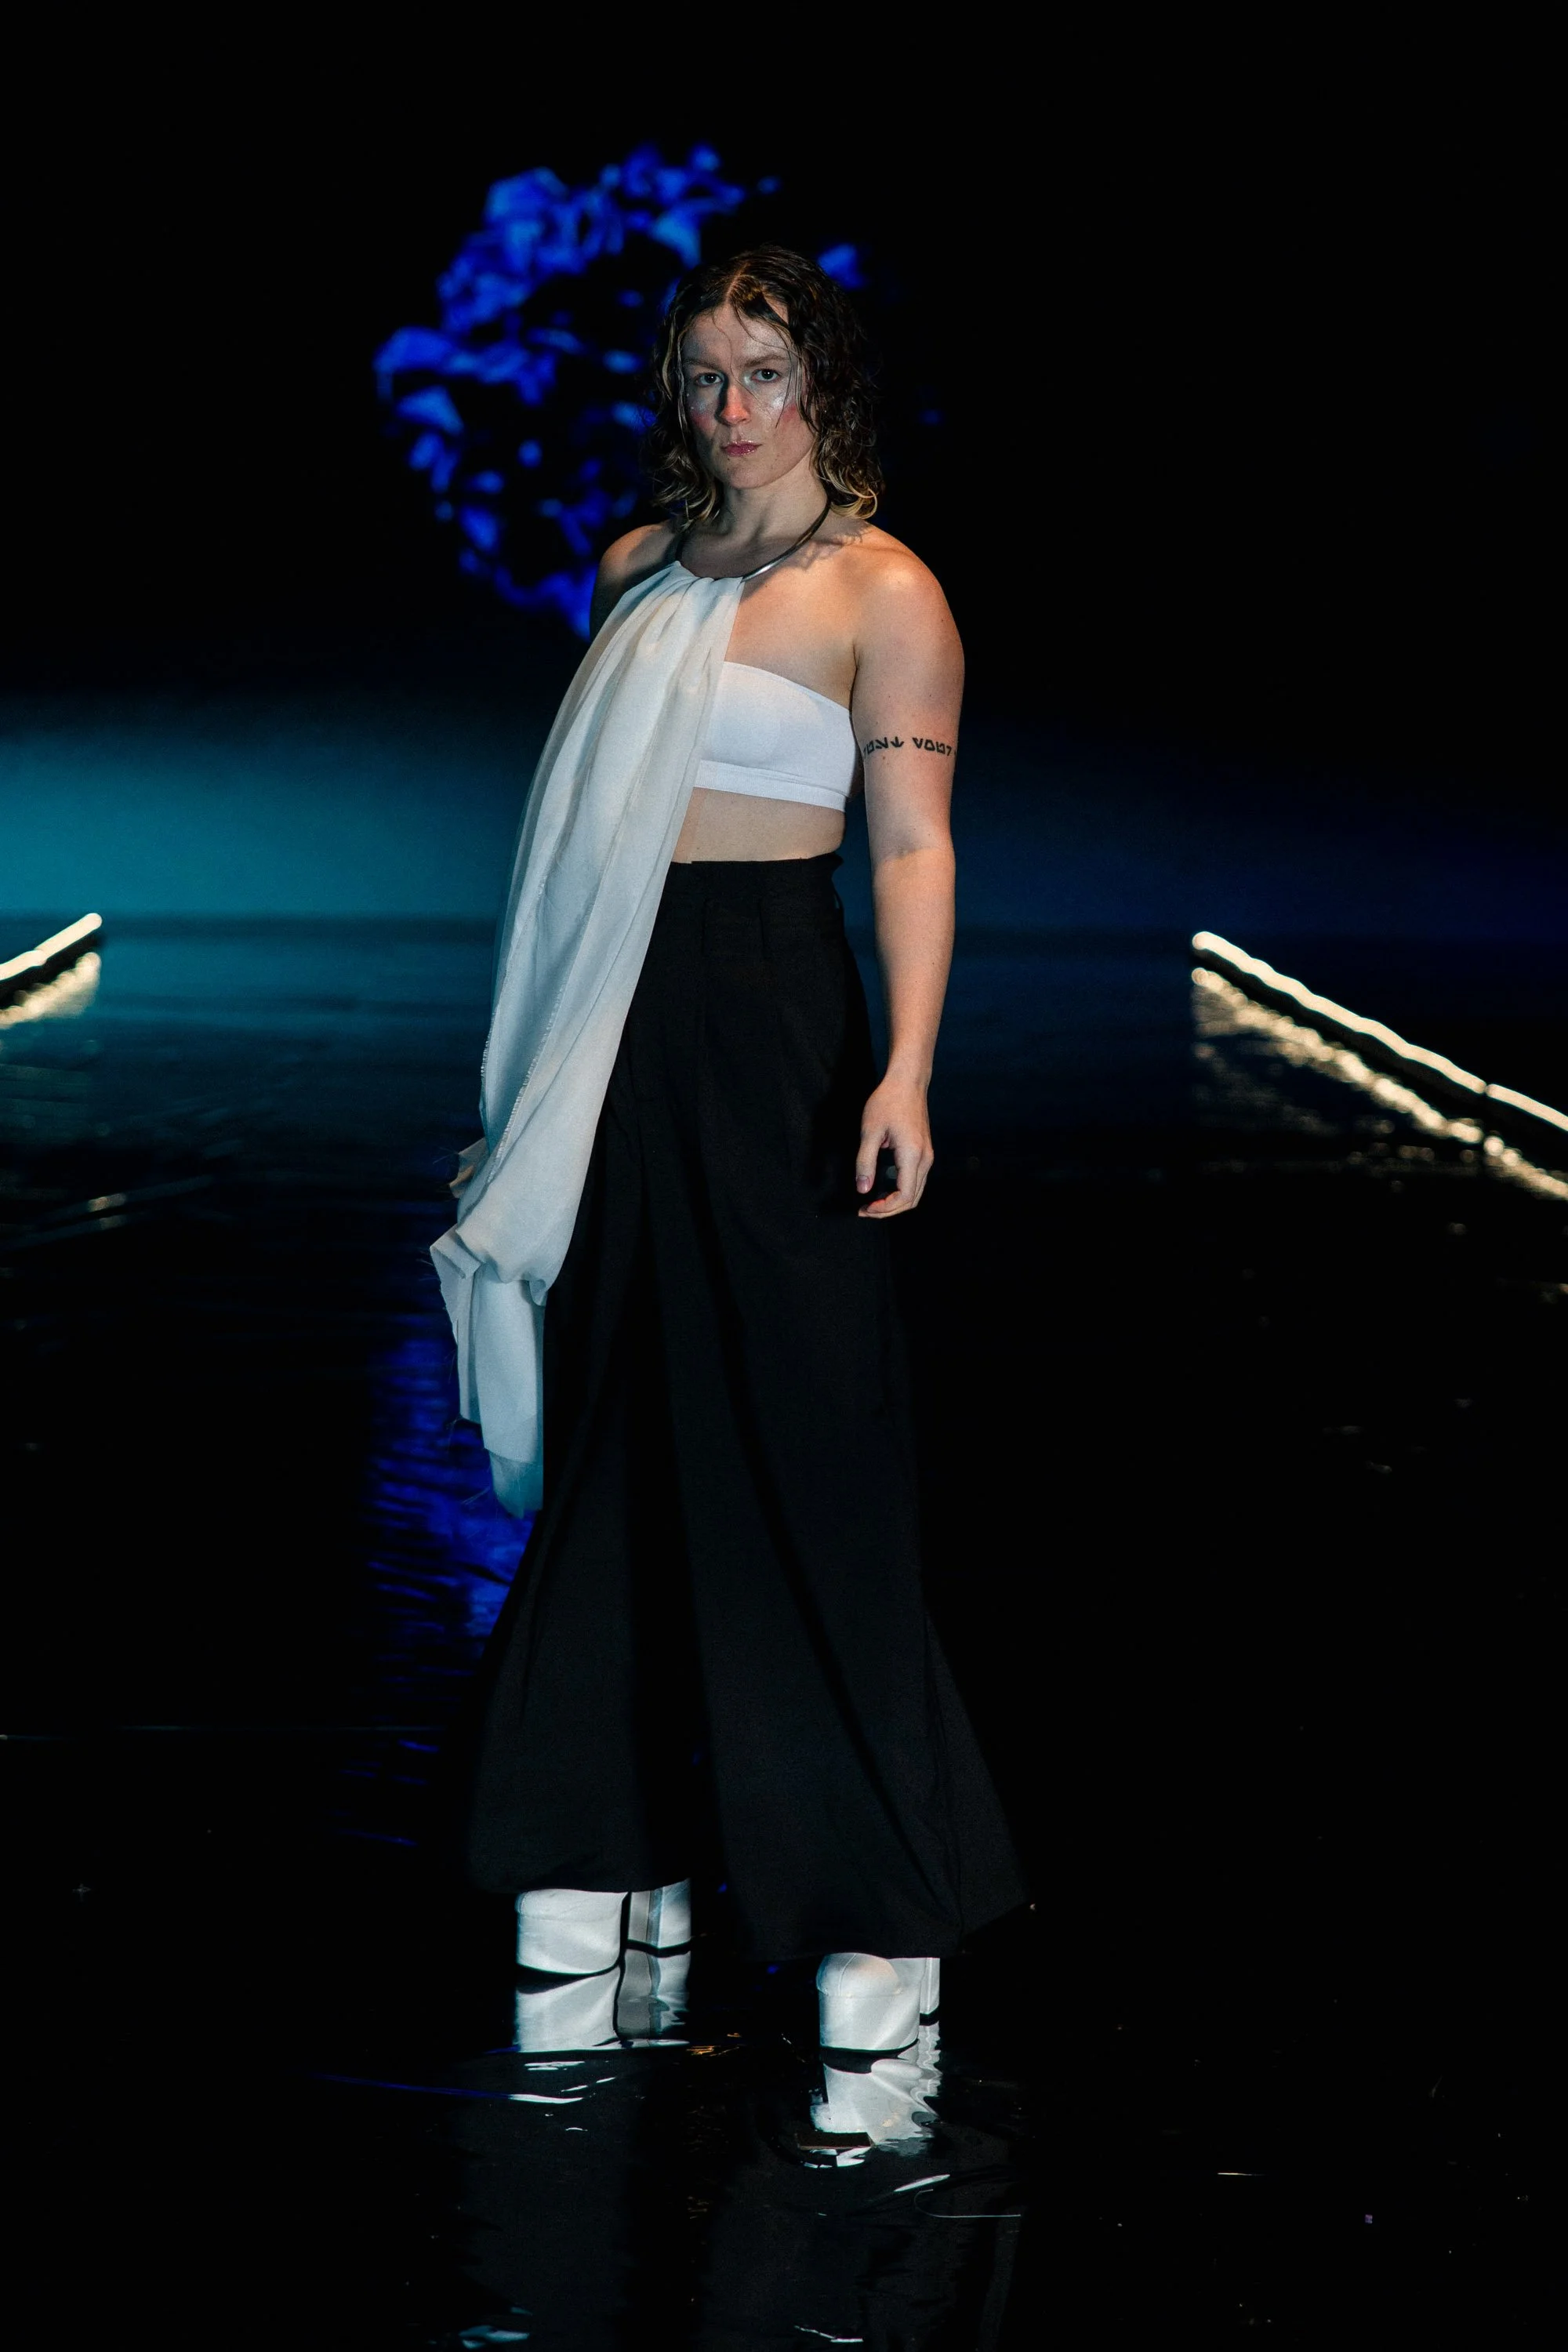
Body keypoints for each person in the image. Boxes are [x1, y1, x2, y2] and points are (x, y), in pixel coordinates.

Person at [434, 246, 1022, 2091]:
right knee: (616, 1433)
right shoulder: (635, 569)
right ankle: (602, 1846)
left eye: (764, 369)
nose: (733, 404)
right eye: (705, 374)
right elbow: (584, 847)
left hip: (780, 1020)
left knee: (807, 1446)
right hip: (618, 1025)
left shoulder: (884, 590)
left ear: (820, 383)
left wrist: (905, 1068)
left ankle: (878, 1907)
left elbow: (909, 845)